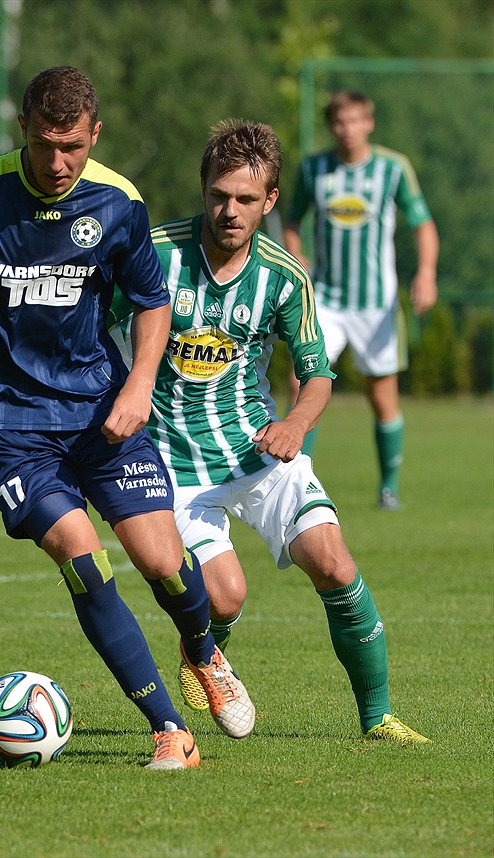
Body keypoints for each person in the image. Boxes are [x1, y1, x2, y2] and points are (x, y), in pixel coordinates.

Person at [0, 66, 255, 771]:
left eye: (72, 148)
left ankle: (204, 652)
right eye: (44, 144)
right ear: (22, 128)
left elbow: (153, 302)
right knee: (84, 561)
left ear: (95, 135)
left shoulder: (118, 202)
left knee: (166, 565)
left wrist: (140, 384)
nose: (57, 164)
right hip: (9, 425)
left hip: (101, 412)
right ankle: (169, 729)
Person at [109, 118, 429, 745]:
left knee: (335, 564)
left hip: (257, 450)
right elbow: (93, 330)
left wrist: (296, 423)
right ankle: (206, 651)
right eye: (219, 195)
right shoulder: (153, 254)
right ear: (202, 188)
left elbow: (317, 375)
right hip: (173, 466)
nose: (230, 210)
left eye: (246, 199)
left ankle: (378, 716)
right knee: (226, 598)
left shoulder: (285, 277)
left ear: (271, 201)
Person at [283, 91, 439, 510]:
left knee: (381, 394)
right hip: (326, 300)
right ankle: (297, 479)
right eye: (339, 122)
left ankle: (388, 487)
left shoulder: (392, 168)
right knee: (302, 382)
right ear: (331, 126)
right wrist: (295, 251)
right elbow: (291, 218)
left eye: (355, 120)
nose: (347, 129)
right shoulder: (315, 168)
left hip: (376, 304)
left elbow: (422, 224)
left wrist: (425, 273)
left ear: (369, 123)